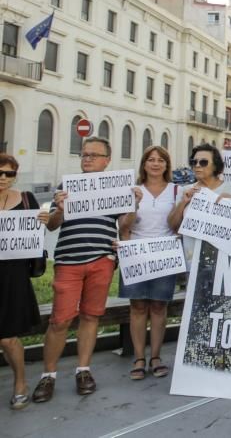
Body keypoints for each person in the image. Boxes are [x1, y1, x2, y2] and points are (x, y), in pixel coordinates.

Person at [33, 137, 139, 402]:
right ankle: (48, 375)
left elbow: (124, 225)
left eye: (94, 155)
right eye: (84, 154)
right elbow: (52, 226)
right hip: (69, 261)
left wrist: (134, 204)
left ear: (107, 160)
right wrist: (60, 208)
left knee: (91, 317)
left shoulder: (115, 188)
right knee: (60, 321)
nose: (88, 158)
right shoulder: (67, 186)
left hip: (101, 261)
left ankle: (83, 370)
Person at [118, 145, 182, 382]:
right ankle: (138, 357)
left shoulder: (177, 191)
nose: (156, 164)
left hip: (164, 255)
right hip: (136, 254)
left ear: (167, 165)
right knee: (137, 307)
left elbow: (177, 225)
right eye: (151, 160)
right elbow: (123, 227)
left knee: (158, 307)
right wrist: (134, 205)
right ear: (143, 164)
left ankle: (155, 356)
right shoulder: (133, 190)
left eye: (161, 160)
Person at [0, 154, 46, 410]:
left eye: (10, 173)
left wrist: (44, 221)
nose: (4, 178)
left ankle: (20, 383)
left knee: (8, 337)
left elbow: (38, 233)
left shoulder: (26, 199)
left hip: (13, 276)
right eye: (0, 172)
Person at [168, 144, 231, 233]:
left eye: (203, 162)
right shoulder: (185, 190)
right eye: (194, 162)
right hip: (191, 246)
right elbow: (173, 226)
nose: (197, 165)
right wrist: (183, 203)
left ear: (215, 165)